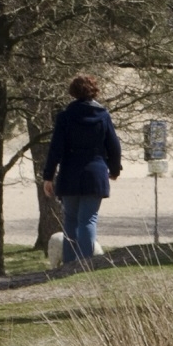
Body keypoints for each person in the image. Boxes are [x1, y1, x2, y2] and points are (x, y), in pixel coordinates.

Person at [38, 74, 122, 268]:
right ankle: (86, 262)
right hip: (95, 173)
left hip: (69, 173)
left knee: (71, 220)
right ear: (94, 90)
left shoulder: (65, 117)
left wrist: (48, 176)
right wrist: (115, 169)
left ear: (72, 92)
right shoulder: (103, 115)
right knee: (88, 220)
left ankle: (70, 262)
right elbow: (114, 146)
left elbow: (55, 149)